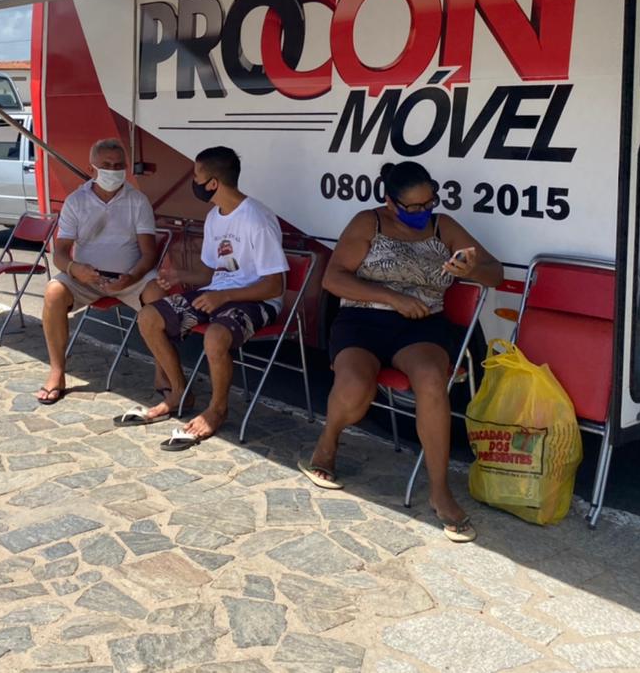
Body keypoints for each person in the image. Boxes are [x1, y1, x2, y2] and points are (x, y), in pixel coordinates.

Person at [304, 161, 503, 543]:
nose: (423, 212)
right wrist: (391, 297)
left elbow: (495, 274)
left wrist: (472, 270)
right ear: (390, 202)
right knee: (355, 385)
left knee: (430, 378)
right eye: (413, 207)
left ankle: (440, 489)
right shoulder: (368, 223)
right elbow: (334, 278)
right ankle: (327, 442)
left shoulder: (443, 226)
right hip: (362, 321)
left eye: (429, 203)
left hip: (423, 325)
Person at [135, 146, 287, 449]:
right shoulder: (214, 217)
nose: (193, 180)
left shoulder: (257, 219)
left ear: (213, 183)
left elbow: (275, 286)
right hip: (218, 293)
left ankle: (217, 410)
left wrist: (225, 296)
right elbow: (211, 274)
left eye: (196, 175)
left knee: (215, 337)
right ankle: (179, 392)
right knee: (149, 317)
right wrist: (182, 278)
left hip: (257, 301)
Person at [38, 138, 165, 405]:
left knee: (157, 294)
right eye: (106, 165)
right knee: (53, 292)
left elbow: (149, 253)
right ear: (92, 167)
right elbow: (59, 252)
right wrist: (75, 269)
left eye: (119, 165)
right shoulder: (76, 201)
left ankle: (163, 373)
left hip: (131, 279)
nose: (113, 170)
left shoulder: (138, 201)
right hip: (85, 278)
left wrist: (131, 277)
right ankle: (57, 372)